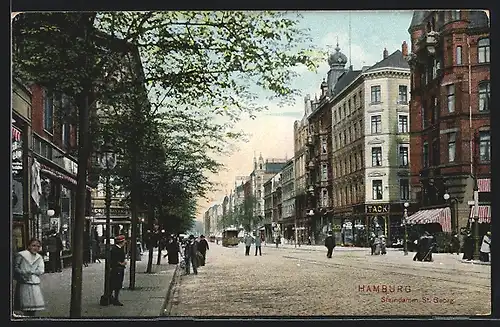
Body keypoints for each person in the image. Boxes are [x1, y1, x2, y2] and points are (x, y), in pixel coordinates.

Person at [13, 238, 45, 317]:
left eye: (38, 246)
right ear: (29, 246)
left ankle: (31, 318)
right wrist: (23, 272)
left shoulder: (39, 257)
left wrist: (33, 272)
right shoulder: (22, 255)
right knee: (24, 304)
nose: (35, 248)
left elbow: (41, 270)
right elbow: (16, 267)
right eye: (33, 245)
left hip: (34, 283)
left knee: (34, 305)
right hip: (24, 282)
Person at [109, 235, 127, 306]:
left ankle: (111, 297)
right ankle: (115, 299)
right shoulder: (116, 249)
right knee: (116, 284)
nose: (125, 242)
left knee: (115, 284)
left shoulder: (119, 248)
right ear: (121, 242)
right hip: (117, 269)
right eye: (124, 241)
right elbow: (114, 260)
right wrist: (121, 263)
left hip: (118, 268)